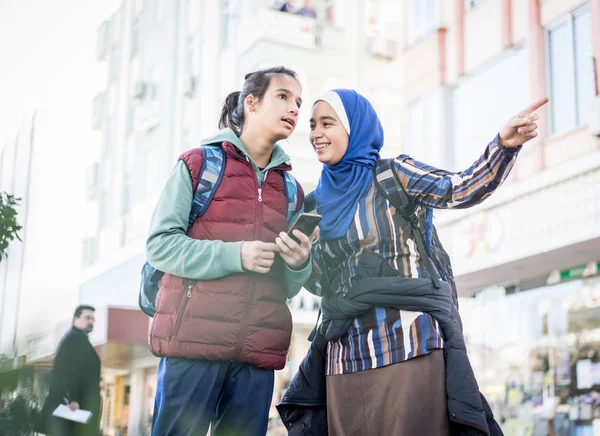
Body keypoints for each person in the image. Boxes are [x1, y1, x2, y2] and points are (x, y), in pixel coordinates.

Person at [295, 89, 548, 435]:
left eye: (327, 123)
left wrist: (502, 147)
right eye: (312, 126)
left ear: (355, 129)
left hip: (409, 346)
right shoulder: (313, 205)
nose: (316, 134)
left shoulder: (392, 175)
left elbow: (457, 188)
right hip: (344, 360)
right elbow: (324, 284)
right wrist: (299, 263)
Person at [147, 66, 314, 436]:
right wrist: (234, 255)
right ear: (251, 102)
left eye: (298, 102)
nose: (294, 109)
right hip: (193, 345)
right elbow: (159, 245)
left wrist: (300, 263)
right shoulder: (198, 164)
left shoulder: (291, 191)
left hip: (257, 355)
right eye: (283, 97)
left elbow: (286, 286)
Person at [35, 305, 101, 436]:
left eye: (93, 319)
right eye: (87, 318)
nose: (91, 322)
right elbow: (70, 371)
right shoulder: (74, 339)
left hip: (78, 405)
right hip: (74, 406)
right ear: (75, 319)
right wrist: (73, 399)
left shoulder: (78, 338)